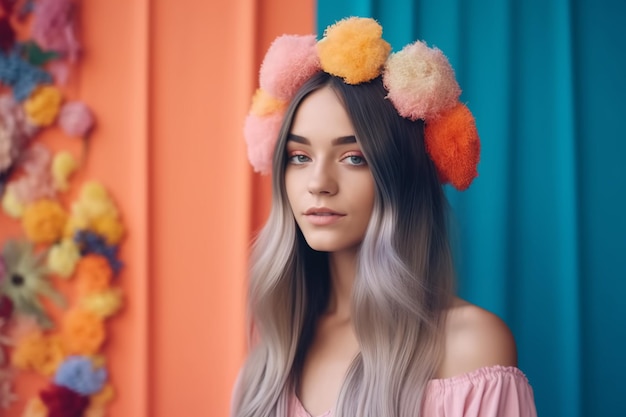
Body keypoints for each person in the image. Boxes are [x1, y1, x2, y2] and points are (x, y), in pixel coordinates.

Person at [233, 17, 537, 417]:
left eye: (354, 158)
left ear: (400, 175)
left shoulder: (470, 346)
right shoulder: (274, 352)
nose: (318, 183)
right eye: (300, 157)